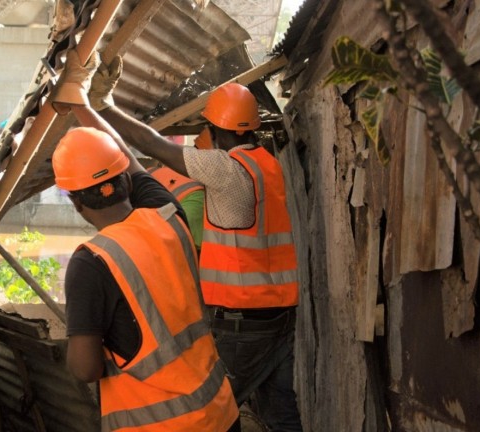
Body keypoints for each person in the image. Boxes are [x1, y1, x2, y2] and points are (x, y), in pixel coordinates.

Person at [86, 55, 303, 431]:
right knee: (283, 420)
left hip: (241, 326)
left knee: (206, 416)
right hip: (281, 320)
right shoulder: (268, 165)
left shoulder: (226, 170)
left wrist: (100, 105)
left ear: (215, 130)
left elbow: (147, 142)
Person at [50, 49, 240, 431]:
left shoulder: (93, 262)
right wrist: (82, 104)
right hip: (218, 411)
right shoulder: (167, 214)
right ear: (125, 181)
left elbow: (84, 368)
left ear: (74, 202)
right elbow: (128, 159)